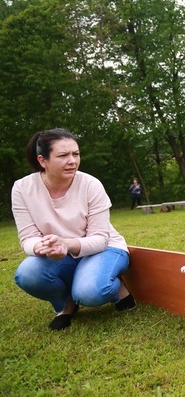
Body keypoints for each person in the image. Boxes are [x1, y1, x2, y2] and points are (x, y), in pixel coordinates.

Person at [12, 128, 136, 331]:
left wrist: (66, 243)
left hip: (104, 249)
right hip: (63, 254)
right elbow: (28, 238)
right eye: (63, 155)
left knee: (89, 292)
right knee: (27, 273)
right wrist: (44, 247)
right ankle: (67, 304)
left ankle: (118, 290)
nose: (72, 161)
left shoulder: (90, 184)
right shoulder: (22, 188)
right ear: (43, 160)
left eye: (75, 154)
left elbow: (100, 239)